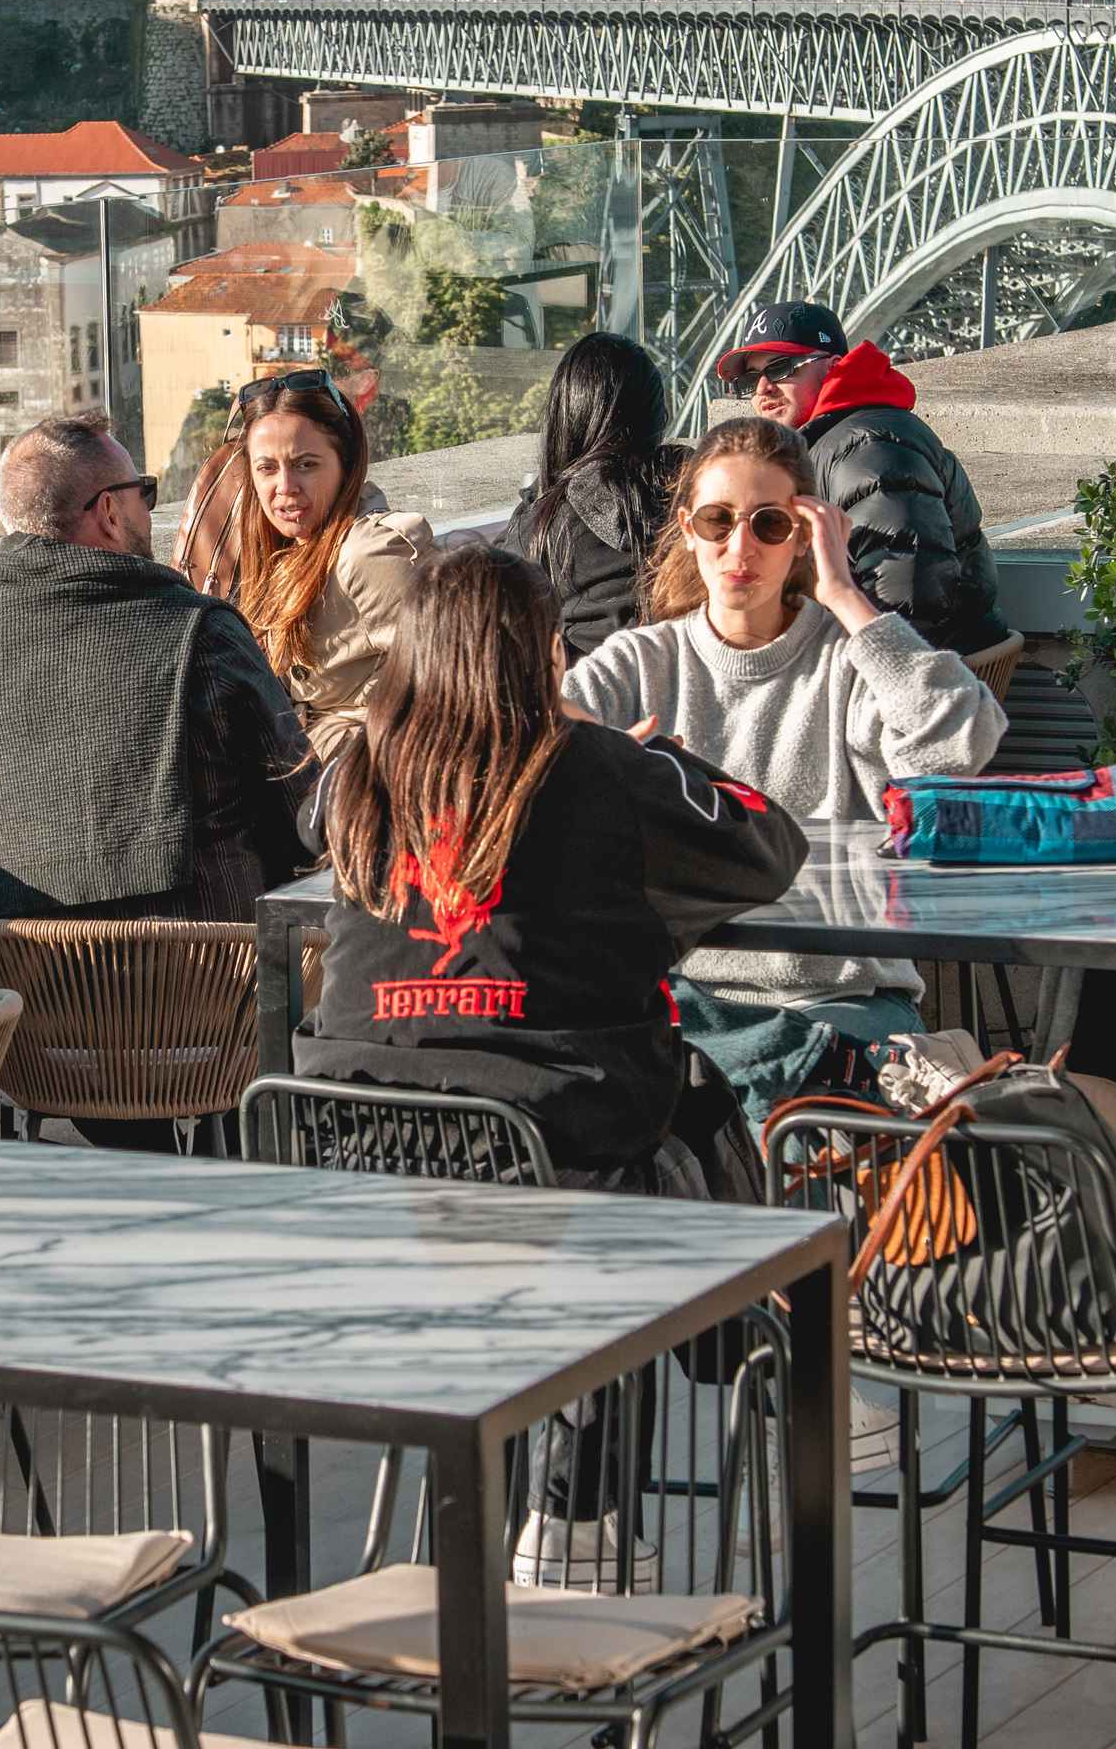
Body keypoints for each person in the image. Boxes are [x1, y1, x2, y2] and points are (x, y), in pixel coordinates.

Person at [301, 539, 807, 1178]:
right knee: (700, 1098)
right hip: (548, 1160)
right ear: (551, 653)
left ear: (410, 654)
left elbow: (308, 825)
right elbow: (769, 843)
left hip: (355, 1146)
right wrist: (612, 738)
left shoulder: (358, 772)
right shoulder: (603, 768)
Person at [563, 417, 1004, 1121]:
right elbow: (513, 747)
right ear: (687, 530)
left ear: (805, 534)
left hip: (835, 997)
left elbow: (958, 742)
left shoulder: (848, 657)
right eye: (717, 520)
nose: (740, 547)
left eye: (770, 524)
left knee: (772, 1118)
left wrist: (847, 596)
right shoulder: (641, 663)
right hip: (686, 998)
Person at [0, 410, 308, 925]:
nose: (149, 513)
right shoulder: (199, 633)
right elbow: (304, 815)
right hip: (210, 986)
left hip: (38, 991)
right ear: (108, 511)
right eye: (142, 494)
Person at [711, 298, 1004, 653]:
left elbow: (909, 603)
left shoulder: (868, 450)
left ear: (834, 366)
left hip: (903, 681)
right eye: (749, 380)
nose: (762, 389)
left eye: (781, 368)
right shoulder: (834, 441)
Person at [184, 367, 431, 757]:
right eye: (267, 468)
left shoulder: (367, 554)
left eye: (306, 464)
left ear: (345, 464)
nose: (285, 487)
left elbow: (456, 678)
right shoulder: (285, 550)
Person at [495, 327, 678, 660]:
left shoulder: (539, 528)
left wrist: (540, 496)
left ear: (561, 422)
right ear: (658, 422)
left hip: (591, 700)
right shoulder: (703, 494)